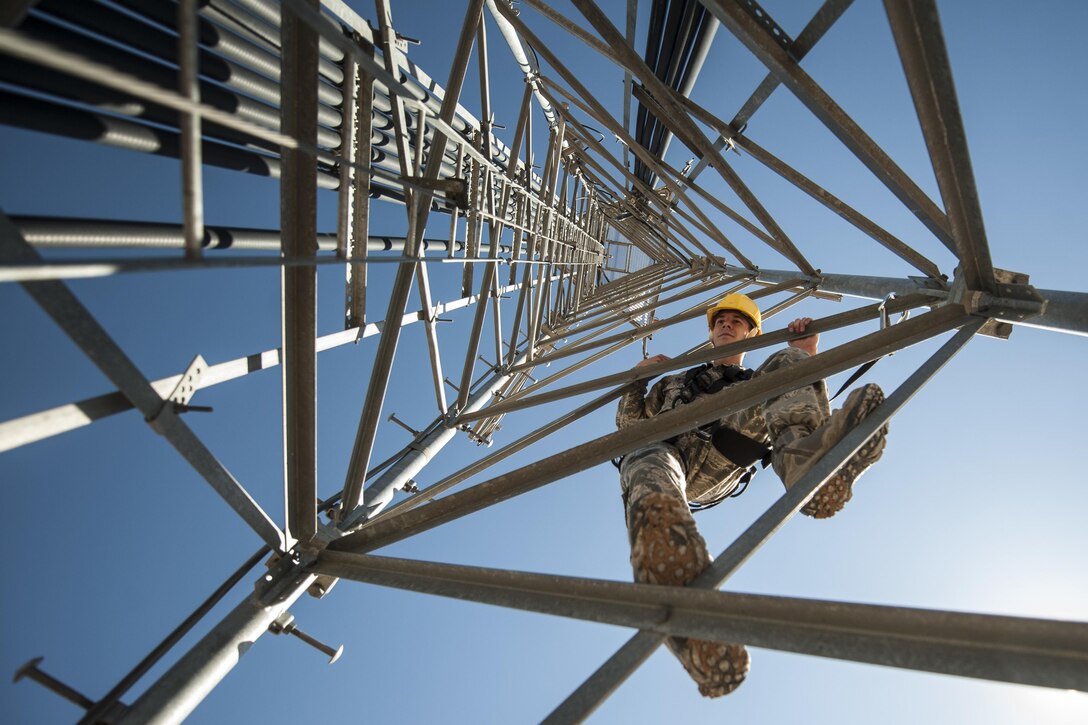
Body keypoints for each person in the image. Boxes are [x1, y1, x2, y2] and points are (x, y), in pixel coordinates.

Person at [615, 293, 888, 697]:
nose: (727, 325)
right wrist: (636, 381)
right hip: (666, 455)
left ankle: (808, 467)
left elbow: (786, 374)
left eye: (737, 322)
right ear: (711, 332)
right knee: (642, 455)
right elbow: (628, 426)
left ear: (751, 332)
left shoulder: (753, 380)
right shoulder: (674, 382)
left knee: (788, 363)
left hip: (722, 451)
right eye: (721, 320)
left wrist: (804, 353)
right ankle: (687, 603)